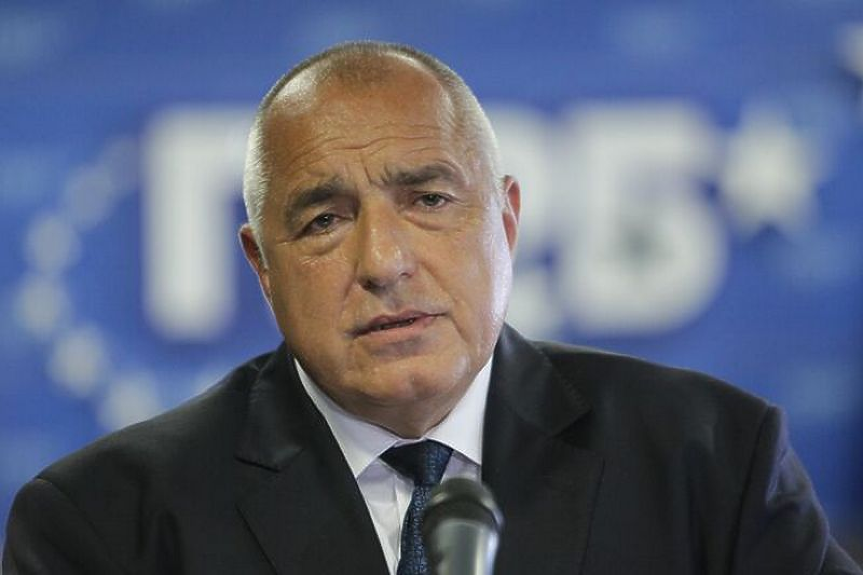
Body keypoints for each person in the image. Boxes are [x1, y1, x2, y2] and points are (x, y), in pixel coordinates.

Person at [3, 40, 860, 575]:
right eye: (324, 220)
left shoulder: (711, 461)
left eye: (428, 199)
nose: (384, 262)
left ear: (506, 221)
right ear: (262, 267)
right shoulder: (104, 525)